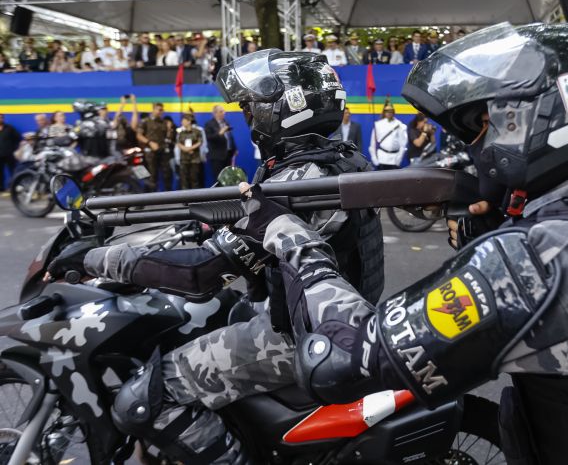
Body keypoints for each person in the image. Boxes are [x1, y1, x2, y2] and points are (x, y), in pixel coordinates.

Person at [213, 23, 568, 465]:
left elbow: (348, 364)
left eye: (486, 124)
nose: (477, 144)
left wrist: (293, 242)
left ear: (544, 115)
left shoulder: (538, 255)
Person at [48, 50, 384, 464]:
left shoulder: (302, 180)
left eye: (250, 108)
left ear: (284, 109)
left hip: (297, 336)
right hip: (322, 320)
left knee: (144, 398)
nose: (247, 118)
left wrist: (95, 259)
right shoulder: (330, 163)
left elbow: (200, 273)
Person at [137, 102, 173, 190]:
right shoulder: (145, 121)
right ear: (153, 109)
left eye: (162, 110)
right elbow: (139, 135)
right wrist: (149, 142)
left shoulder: (164, 122)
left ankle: (169, 197)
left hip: (163, 151)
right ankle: (151, 198)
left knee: (167, 174)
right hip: (150, 152)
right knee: (152, 175)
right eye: (159, 110)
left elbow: (168, 138)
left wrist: (169, 130)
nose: (161, 112)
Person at [369, 99, 406, 169]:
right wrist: (375, 161)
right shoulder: (378, 124)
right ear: (384, 112)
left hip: (394, 160)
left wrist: (398, 161)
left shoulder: (399, 124)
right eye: (387, 111)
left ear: (393, 112)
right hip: (382, 158)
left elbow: (403, 145)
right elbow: (372, 144)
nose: (389, 113)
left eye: (390, 111)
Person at [204, 105, 237, 180]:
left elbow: (229, 137)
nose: (224, 113)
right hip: (217, 156)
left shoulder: (226, 122)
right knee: (218, 178)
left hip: (228, 155)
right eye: (221, 111)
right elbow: (209, 138)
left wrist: (234, 148)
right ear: (215, 113)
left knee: (228, 178)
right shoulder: (209, 124)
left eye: (224, 111)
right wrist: (220, 133)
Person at [175, 113, 203, 189]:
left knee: (194, 180)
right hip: (184, 159)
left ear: (189, 121)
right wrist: (185, 149)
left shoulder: (197, 131)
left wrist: (190, 148)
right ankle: (185, 199)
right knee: (184, 180)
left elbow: (200, 142)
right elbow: (178, 143)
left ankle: (196, 199)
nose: (182, 122)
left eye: (183, 120)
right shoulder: (180, 133)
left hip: (194, 159)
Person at [0, 113, 21, 193]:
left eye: (1, 117)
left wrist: (15, 149)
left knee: (13, 172)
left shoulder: (9, 128)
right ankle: (1, 189)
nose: (0, 119)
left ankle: (13, 188)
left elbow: (18, 138)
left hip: (9, 154)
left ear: (3, 119)